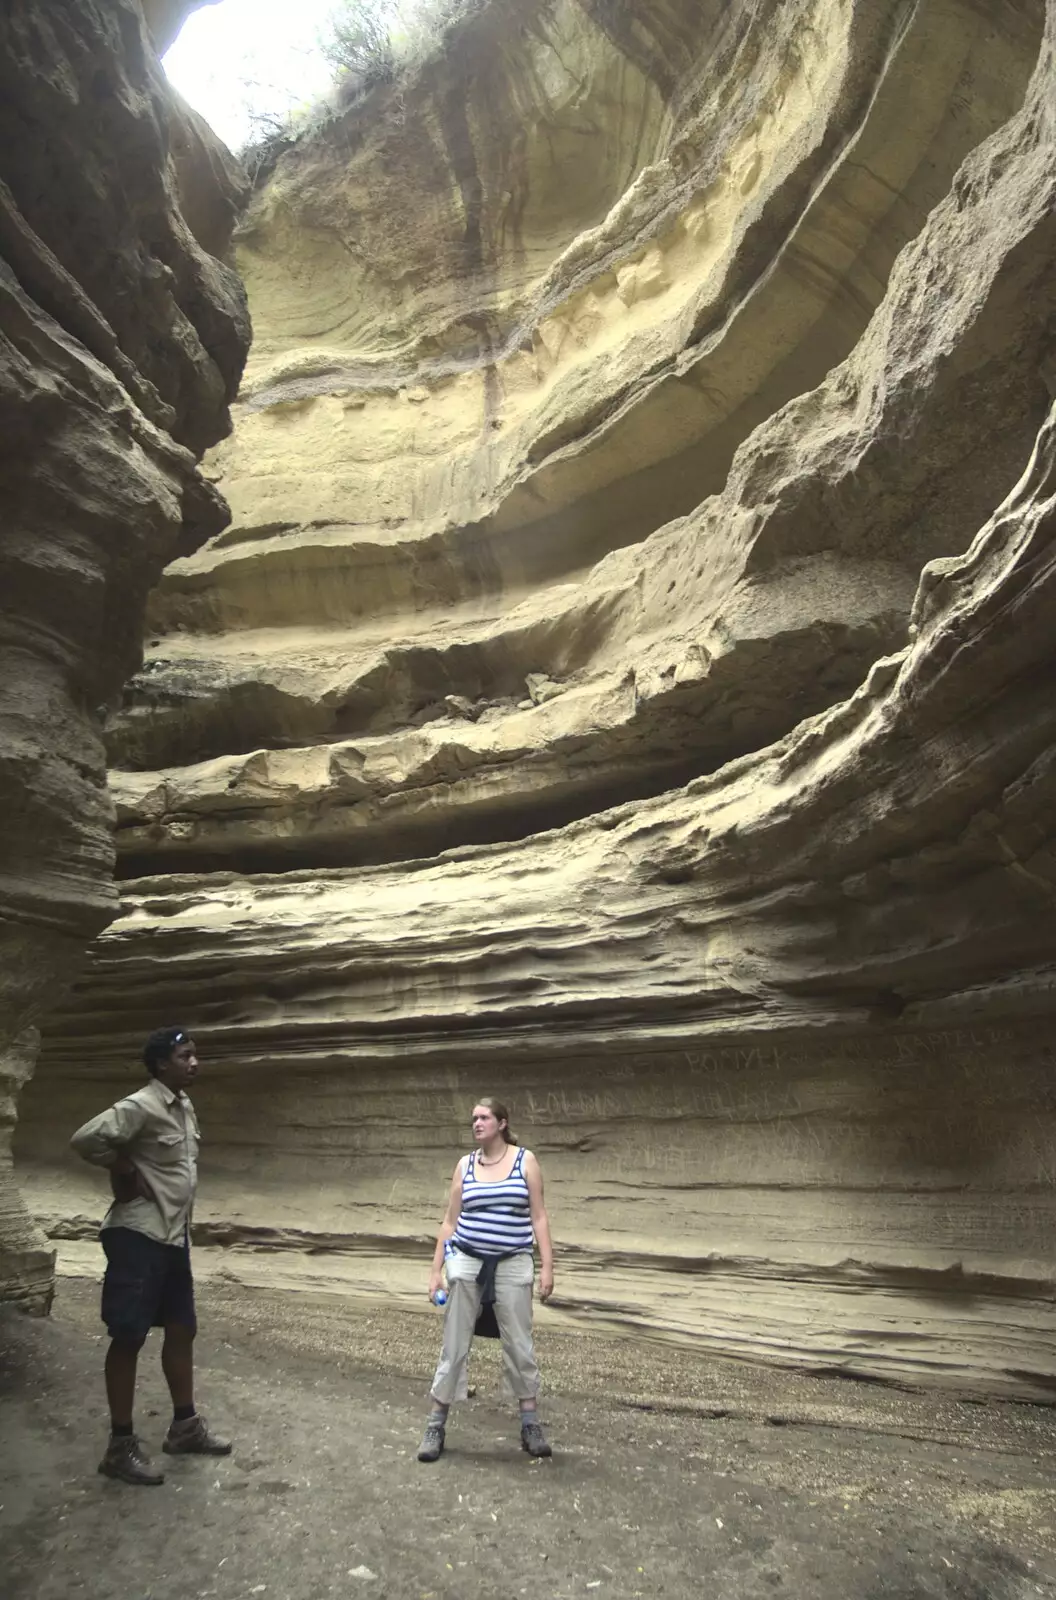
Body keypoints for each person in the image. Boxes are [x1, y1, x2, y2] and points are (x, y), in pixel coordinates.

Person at [69, 1026, 231, 1485]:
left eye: (195, 1055)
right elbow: (85, 1139)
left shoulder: (183, 1106)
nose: (194, 1063)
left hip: (172, 1236)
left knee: (182, 1329)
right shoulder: (140, 1105)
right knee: (129, 1335)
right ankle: (119, 1446)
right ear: (161, 1064)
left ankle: (184, 1428)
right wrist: (120, 1165)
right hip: (137, 1235)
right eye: (184, 1056)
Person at [418, 1097, 554, 1463]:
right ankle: (435, 1424)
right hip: (466, 1259)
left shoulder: (526, 1161)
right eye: (473, 1119)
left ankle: (530, 1424)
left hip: (513, 1261)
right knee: (455, 1342)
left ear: (502, 1123)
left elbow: (539, 1216)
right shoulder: (465, 1165)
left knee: (519, 1342)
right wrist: (435, 1272)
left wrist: (547, 1265)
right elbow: (449, 1222)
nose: (476, 1123)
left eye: (484, 1117)